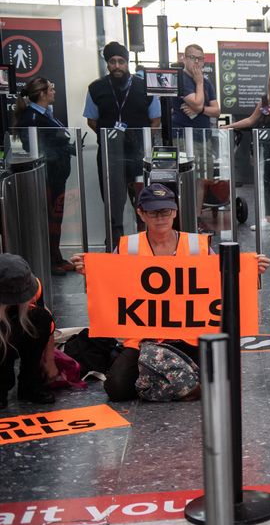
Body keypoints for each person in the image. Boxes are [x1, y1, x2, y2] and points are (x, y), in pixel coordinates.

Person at [70, 184, 270, 400]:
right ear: (141, 213)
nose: (160, 218)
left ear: (174, 212)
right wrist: (90, 273)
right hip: (144, 338)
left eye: (165, 211)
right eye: (153, 212)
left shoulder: (196, 245)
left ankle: (163, 378)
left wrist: (248, 271)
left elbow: (219, 279)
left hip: (191, 336)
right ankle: (176, 382)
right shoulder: (129, 246)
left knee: (220, 383)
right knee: (116, 389)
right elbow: (111, 283)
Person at [83, 41, 162, 247]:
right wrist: (112, 140)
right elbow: (92, 121)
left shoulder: (144, 87)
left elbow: (155, 120)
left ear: (127, 63)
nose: (117, 66)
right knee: (113, 204)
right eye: (112, 62)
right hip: (111, 157)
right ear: (107, 64)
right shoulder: (96, 88)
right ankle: (115, 246)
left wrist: (141, 140)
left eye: (121, 61)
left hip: (139, 155)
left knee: (144, 200)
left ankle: (146, 244)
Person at [222, 69, 270, 231]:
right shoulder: (265, 102)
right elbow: (251, 120)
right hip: (267, 148)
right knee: (268, 181)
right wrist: (229, 126)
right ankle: (269, 218)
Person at [13, 77, 75, 275]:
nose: (54, 92)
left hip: (58, 175)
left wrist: (67, 148)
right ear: (41, 93)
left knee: (55, 217)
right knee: (49, 218)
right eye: (51, 89)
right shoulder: (32, 118)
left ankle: (55, 256)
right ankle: (49, 260)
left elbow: (55, 140)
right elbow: (33, 147)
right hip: (48, 176)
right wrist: (59, 150)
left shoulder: (45, 114)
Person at [0, 254, 56, 408]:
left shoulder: (34, 286)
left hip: (18, 324)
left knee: (41, 318)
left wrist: (50, 360)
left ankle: (30, 384)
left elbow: (48, 321)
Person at [174, 44, 220, 225]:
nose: (196, 62)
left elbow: (215, 110)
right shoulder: (181, 79)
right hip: (182, 136)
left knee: (201, 178)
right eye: (192, 57)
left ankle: (197, 217)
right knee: (184, 178)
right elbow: (199, 102)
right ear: (184, 58)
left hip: (202, 136)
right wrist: (199, 83)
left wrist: (199, 110)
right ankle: (182, 218)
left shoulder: (207, 82)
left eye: (200, 59)